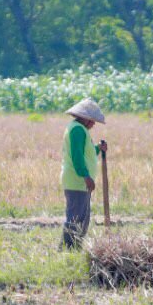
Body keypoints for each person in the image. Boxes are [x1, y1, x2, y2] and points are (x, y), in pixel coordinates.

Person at [60, 98, 105, 249]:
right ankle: (68, 249)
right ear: (84, 118)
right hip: (77, 181)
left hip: (79, 182)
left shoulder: (79, 129)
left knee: (82, 218)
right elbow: (77, 156)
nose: (93, 124)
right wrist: (85, 176)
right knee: (76, 218)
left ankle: (74, 248)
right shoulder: (78, 130)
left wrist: (98, 148)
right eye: (92, 120)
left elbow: (88, 153)